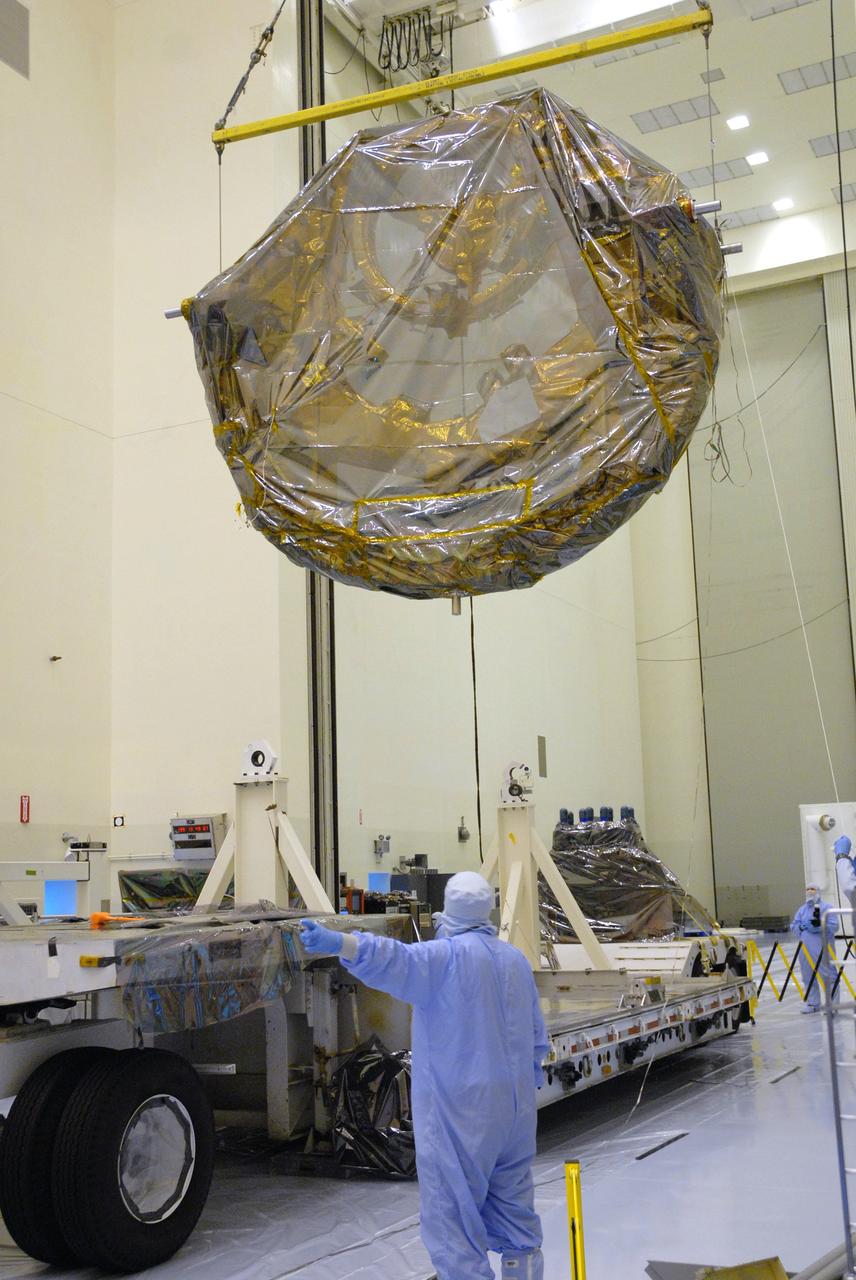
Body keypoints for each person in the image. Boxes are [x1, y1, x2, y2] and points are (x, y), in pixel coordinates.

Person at [300, 871, 550, 1280]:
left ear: (449, 911)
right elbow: (537, 1035)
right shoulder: (514, 961)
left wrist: (339, 942)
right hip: (515, 1110)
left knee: (452, 1220)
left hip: (460, 1113)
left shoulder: (443, 959)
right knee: (515, 1214)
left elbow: (393, 959)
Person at [791, 883, 838, 1012]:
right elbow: (794, 925)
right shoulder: (802, 910)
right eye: (808, 889)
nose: (810, 891)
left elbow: (834, 926)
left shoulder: (827, 908)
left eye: (813, 889)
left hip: (822, 947)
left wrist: (820, 926)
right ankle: (813, 1004)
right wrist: (801, 927)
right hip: (804, 949)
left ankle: (833, 1005)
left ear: (818, 892)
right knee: (808, 976)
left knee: (828, 976)